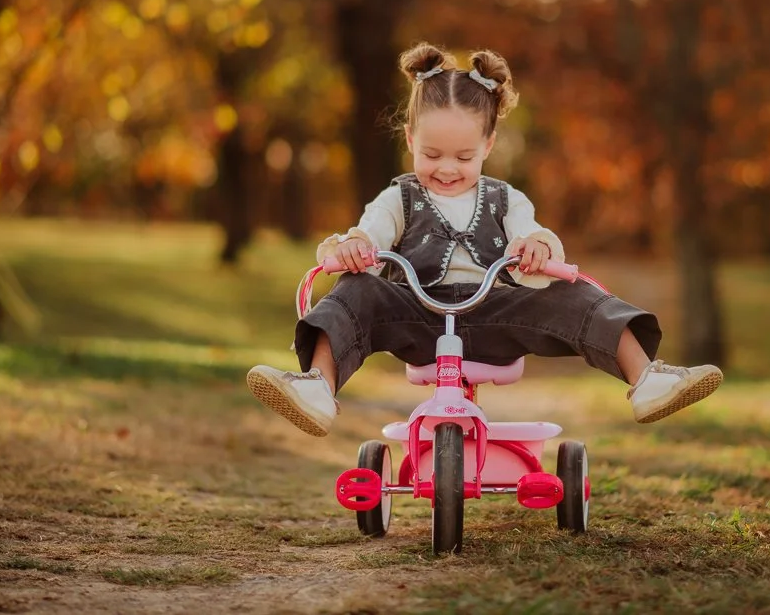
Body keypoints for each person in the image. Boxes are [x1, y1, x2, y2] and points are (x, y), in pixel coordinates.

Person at [246, 44, 723, 436]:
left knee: (576, 293)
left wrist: (536, 248)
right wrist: (354, 248)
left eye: (463, 157)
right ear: (410, 139)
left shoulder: (506, 199)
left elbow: (530, 232)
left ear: (488, 146)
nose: (446, 168)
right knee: (354, 290)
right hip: (417, 316)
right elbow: (369, 234)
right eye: (432, 154)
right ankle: (317, 387)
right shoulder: (399, 198)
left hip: (494, 313)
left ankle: (647, 379)